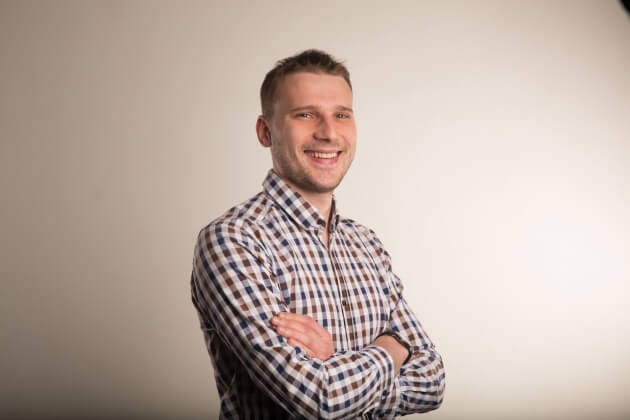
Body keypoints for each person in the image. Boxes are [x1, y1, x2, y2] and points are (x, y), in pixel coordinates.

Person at [191, 49, 445, 419]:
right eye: (305, 114)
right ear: (265, 131)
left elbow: (433, 382)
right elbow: (318, 399)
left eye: (341, 115)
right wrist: (392, 349)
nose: (328, 132)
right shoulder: (232, 241)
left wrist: (334, 359)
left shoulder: (366, 244)